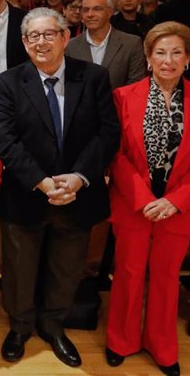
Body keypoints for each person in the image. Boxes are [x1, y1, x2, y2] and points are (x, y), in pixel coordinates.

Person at [0, 7, 119, 368]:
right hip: (27, 192)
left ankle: (53, 326)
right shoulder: (9, 82)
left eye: (50, 34)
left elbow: (107, 133)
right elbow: (5, 139)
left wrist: (78, 177)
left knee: (66, 268)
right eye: (33, 36)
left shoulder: (93, 77)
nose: (41, 42)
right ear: (24, 42)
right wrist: (42, 181)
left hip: (78, 193)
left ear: (66, 37)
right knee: (19, 268)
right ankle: (19, 327)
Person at [105, 22, 190, 376]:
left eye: (176, 53)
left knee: (167, 277)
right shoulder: (124, 96)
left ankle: (162, 346)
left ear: (188, 58)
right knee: (127, 272)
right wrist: (143, 199)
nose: (167, 60)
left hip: (179, 208)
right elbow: (116, 154)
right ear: (148, 57)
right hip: (133, 204)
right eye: (160, 52)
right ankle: (121, 340)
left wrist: (176, 200)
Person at [66, 0, 146, 89]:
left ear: (110, 12)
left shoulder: (131, 44)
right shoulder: (70, 46)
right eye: (86, 10)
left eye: (97, 9)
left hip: (118, 104)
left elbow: (135, 87)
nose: (90, 14)